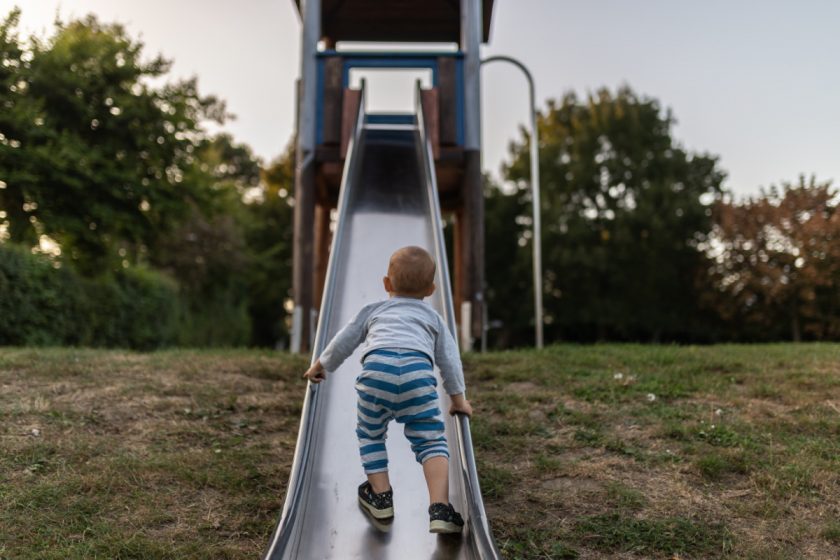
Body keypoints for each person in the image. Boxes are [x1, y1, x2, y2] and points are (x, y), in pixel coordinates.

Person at [303, 245, 473, 534]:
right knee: (431, 441)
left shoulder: (373, 310)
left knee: (370, 434)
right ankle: (440, 508)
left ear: (386, 283)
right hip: (417, 380)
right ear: (431, 289)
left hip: (375, 378)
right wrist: (458, 400)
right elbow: (450, 362)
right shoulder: (434, 319)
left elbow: (344, 341)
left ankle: (380, 496)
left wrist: (321, 365)